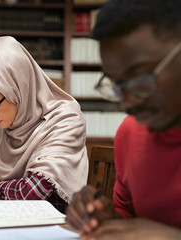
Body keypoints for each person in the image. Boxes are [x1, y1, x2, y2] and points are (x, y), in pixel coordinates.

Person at [66, 0, 181, 239]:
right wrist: (106, 218)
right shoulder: (130, 133)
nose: (128, 102)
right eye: (117, 85)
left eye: (140, 79)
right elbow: (128, 213)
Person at [0, 36, 88, 213]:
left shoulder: (66, 118)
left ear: (20, 89)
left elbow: (35, 190)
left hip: (56, 226)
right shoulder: (3, 123)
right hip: (6, 220)